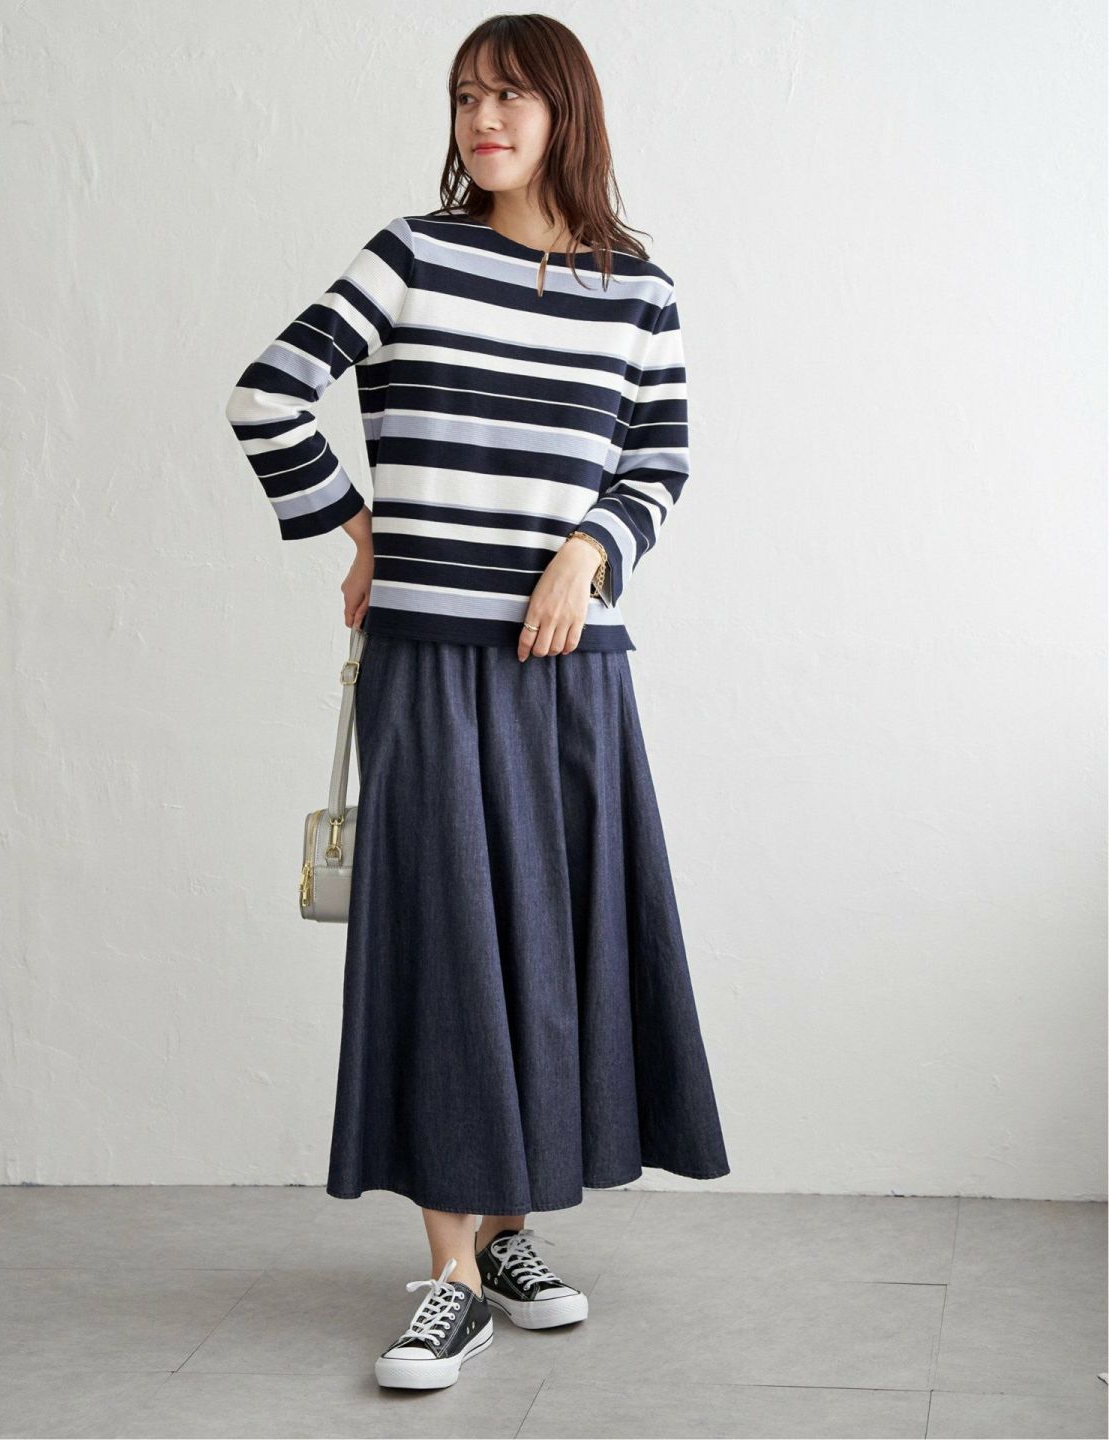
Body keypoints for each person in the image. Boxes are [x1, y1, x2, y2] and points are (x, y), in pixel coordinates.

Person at [225, 13, 730, 1392]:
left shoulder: (640, 293)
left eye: (509, 95)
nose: (483, 120)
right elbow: (267, 395)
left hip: (575, 671)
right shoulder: (411, 254)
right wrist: (359, 529)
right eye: (464, 97)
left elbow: (662, 460)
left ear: (568, 112)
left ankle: (508, 1237)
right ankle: (449, 1275)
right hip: (431, 663)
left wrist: (588, 551)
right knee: (449, 948)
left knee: (549, 951)